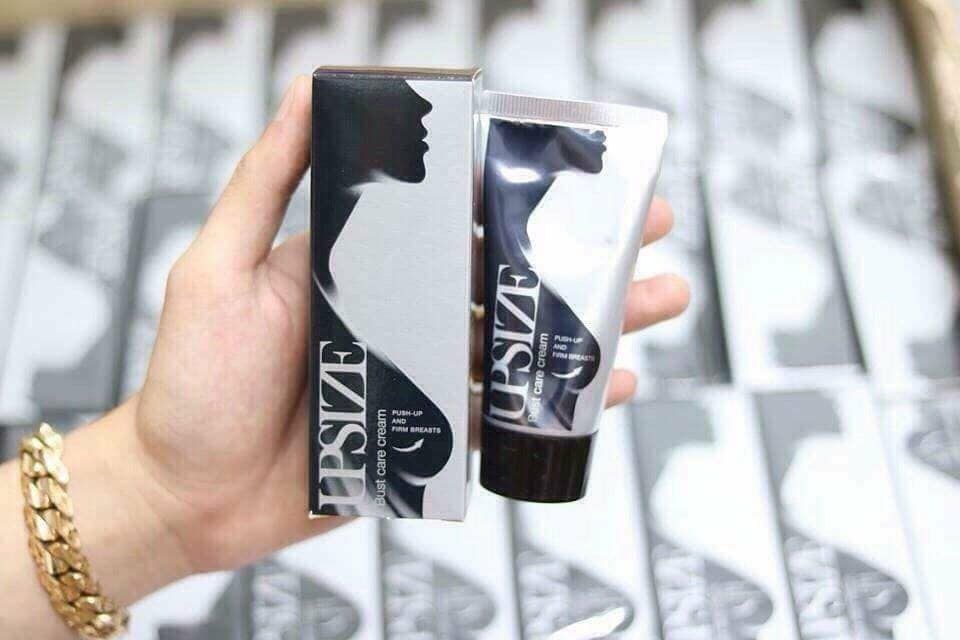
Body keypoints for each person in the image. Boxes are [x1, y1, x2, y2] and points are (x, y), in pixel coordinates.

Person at [0, 75, 689, 639]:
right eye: (411, 117)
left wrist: (158, 498)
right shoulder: (351, 259)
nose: (428, 121)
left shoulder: (376, 251)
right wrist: (155, 492)